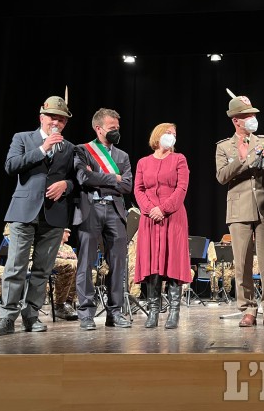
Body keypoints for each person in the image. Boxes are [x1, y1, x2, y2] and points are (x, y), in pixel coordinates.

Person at [0, 95, 75, 336]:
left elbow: (76, 180)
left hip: (53, 215)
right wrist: (42, 149)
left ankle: (32, 315)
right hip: (24, 211)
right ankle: (7, 317)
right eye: (52, 118)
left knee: (42, 269)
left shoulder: (69, 148)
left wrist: (65, 186)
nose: (56, 122)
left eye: (61, 119)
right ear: (42, 117)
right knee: (15, 266)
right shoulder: (23, 138)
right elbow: (11, 166)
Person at [215, 91, 264, 327]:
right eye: (248, 115)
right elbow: (222, 177)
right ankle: (248, 309)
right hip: (239, 210)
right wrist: (241, 160)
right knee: (241, 262)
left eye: (254, 114)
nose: (253, 118)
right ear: (236, 120)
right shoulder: (224, 147)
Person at [73, 108, 133, 330]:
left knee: (118, 264)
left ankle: (114, 312)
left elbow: (127, 186)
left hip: (115, 211)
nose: (116, 131)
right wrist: (113, 178)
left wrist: (98, 177)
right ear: (99, 129)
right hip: (90, 209)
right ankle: (86, 314)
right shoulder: (82, 150)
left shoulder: (122, 156)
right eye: (112, 128)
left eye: (117, 128)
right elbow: (83, 177)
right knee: (86, 263)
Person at [134, 123, 190, 329]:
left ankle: (174, 311)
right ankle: (153, 312)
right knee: (152, 264)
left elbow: (181, 188)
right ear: (157, 136)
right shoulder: (143, 162)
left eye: (174, 134)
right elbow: (138, 190)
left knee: (173, 262)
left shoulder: (179, 159)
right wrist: (150, 209)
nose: (171, 137)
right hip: (149, 218)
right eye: (168, 133)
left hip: (173, 216)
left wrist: (163, 209)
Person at [51, 228, 79, 320]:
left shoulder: (68, 247)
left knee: (78, 266)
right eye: (67, 232)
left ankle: (68, 302)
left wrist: (67, 255)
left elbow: (74, 256)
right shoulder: (52, 243)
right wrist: (60, 254)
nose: (69, 235)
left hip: (69, 265)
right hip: (53, 266)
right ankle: (59, 303)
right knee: (70, 265)